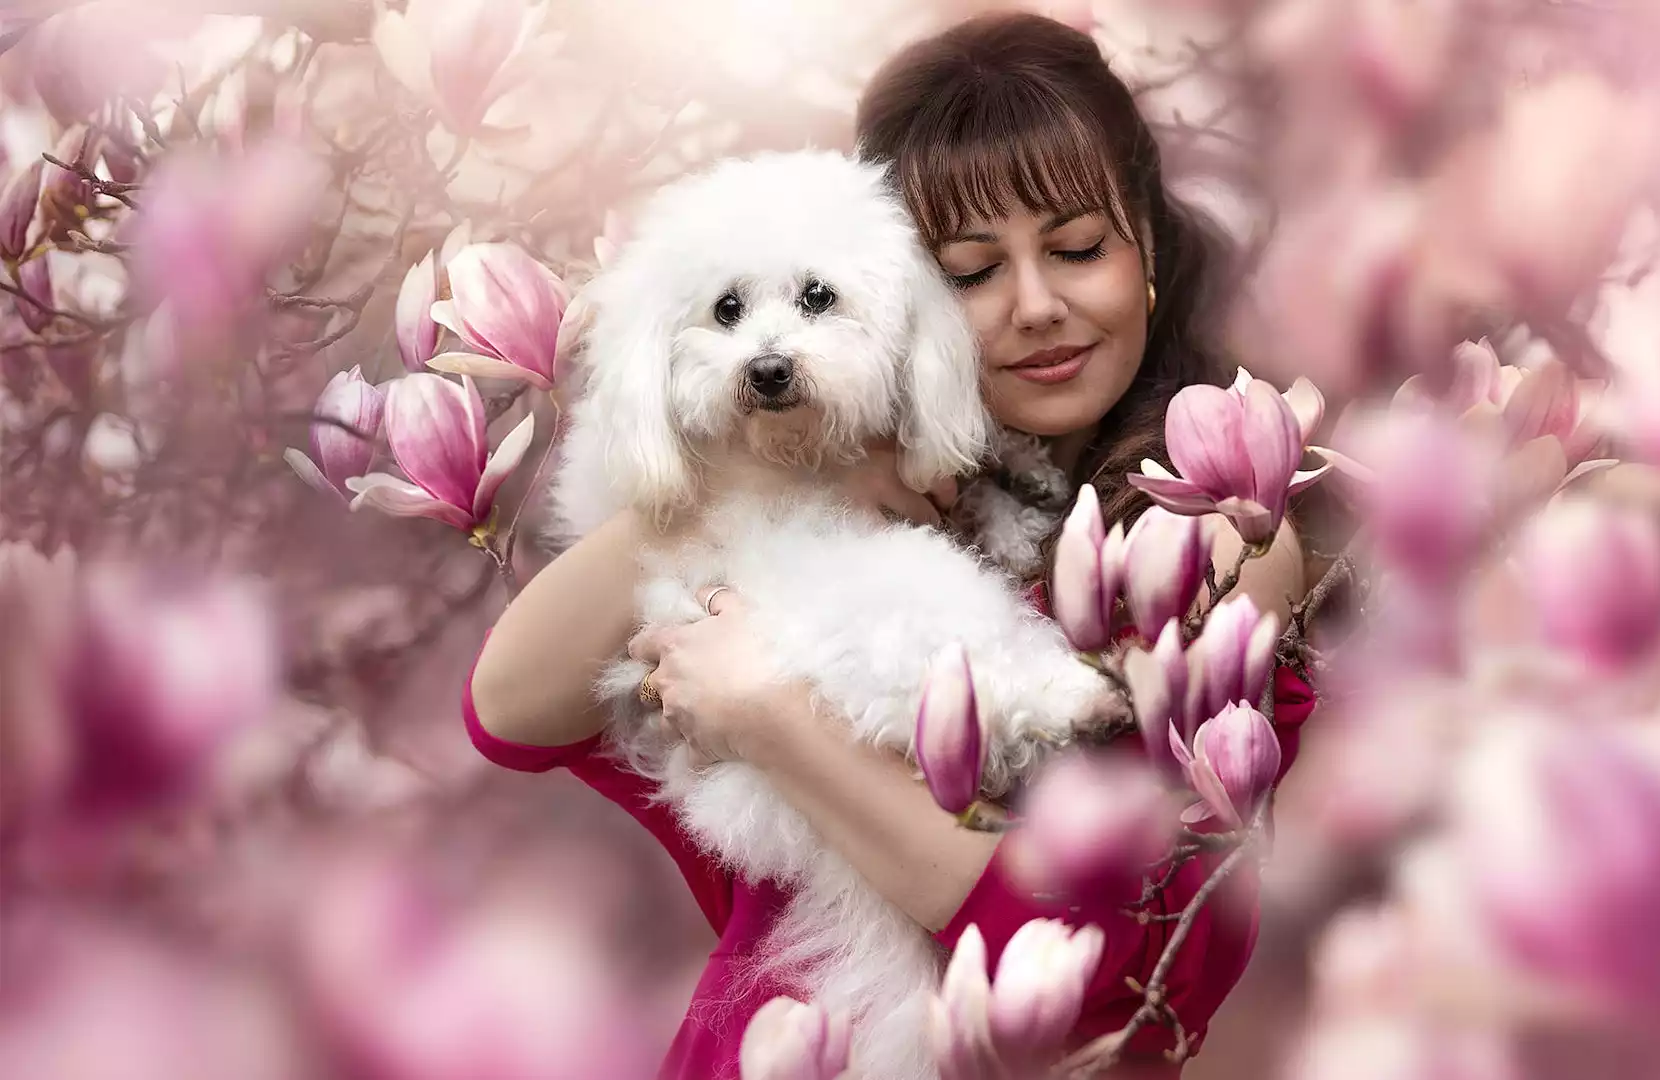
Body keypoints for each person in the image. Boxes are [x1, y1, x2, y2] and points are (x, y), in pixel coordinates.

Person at [464, 12, 1316, 1079]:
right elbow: (508, 710)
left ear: (1142, 242)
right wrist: (745, 461)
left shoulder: (1211, 525)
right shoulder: (849, 493)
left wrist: (769, 717)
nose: (1039, 307)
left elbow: (1085, 959)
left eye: (1078, 249)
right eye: (971, 271)